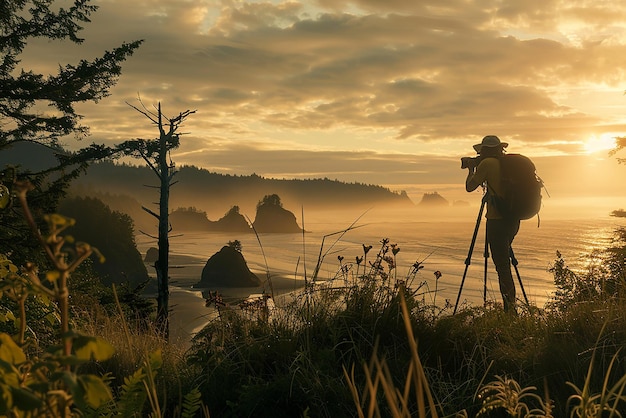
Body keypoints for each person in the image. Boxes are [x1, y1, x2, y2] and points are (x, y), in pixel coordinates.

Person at [465, 135, 519, 312]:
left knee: (502, 268)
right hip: (513, 220)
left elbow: (470, 187)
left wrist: (471, 169)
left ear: (484, 150)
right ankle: (510, 309)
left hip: (496, 222)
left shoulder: (487, 164)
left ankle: (510, 312)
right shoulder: (508, 165)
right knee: (505, 263)